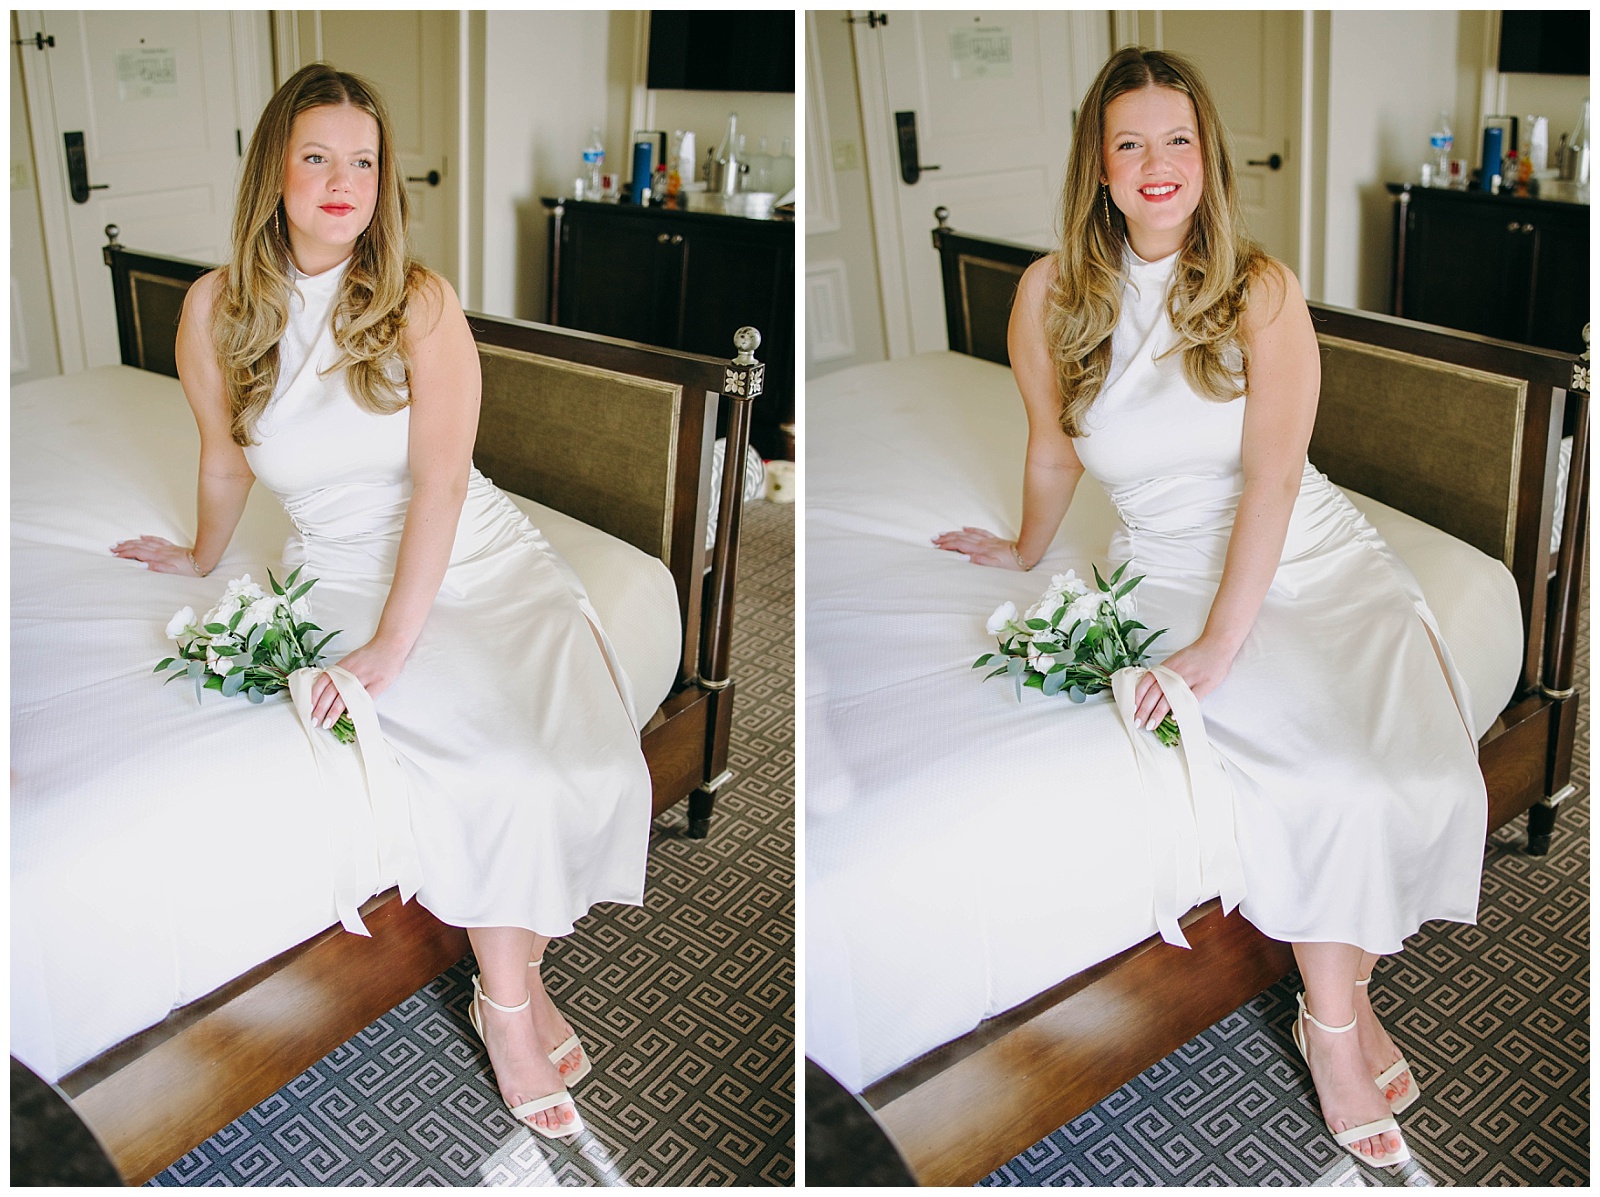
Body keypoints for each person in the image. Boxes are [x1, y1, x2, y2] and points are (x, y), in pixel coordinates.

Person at [934, 47, 1486, 1171]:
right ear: (1097, 163)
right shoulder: (1047, 295)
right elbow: (1051, 447)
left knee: (1399, 756)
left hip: (1307, 552)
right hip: (1170, 559)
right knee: (1325, 773)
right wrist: (1026, 546)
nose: (1155, 163)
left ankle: (1337, 994)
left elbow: (1275, 481)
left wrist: (1221, 646)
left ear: (1207, 158)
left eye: (1175, 139)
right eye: (1128, 141)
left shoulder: (1260, 289)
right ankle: (1335, 1020)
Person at [111, 63, 651, 1141]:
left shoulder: (417, 300)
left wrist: (399, 644)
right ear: (274, 169)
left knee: (574, 749)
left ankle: (518, 971)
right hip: (344, 568)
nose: (341, 181)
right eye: (317, 157)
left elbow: (444, 483)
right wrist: (199, 551)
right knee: (499, 765)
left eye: (362, 161)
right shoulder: (216, 309)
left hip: (477, 556)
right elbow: (223, 461)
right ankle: (513, 1003)